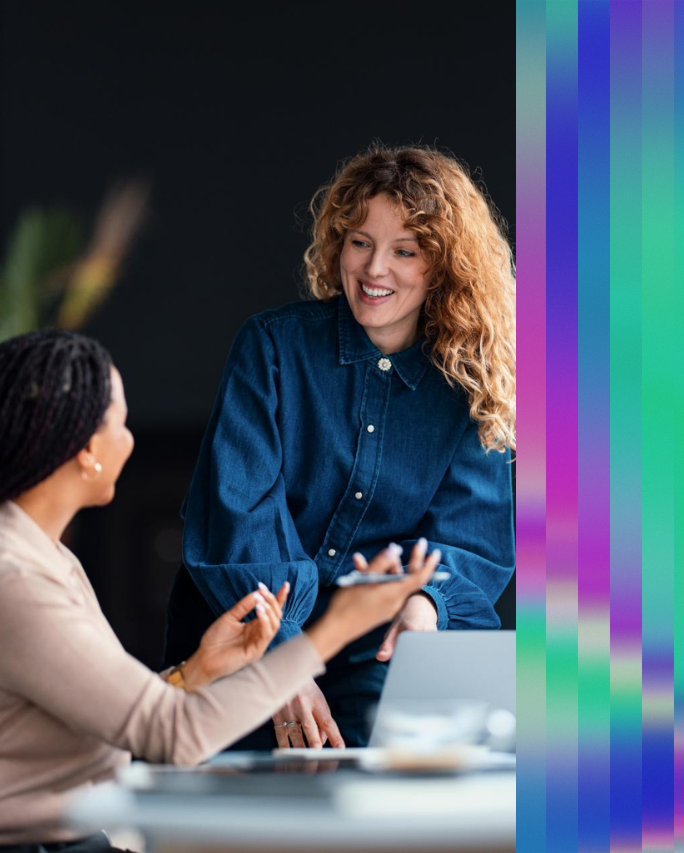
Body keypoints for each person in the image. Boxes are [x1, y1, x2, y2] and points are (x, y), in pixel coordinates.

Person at [0, 329, 440, 849]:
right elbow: (176, 735)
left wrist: (197, 672)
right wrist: (337, 628)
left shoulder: (32, 554)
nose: (130, 439)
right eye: (120, 423)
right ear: (85, 451)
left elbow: (115, 720)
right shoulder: (12, 581)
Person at [163, 144, 516, 750]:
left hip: (374, 641)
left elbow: (469, 541)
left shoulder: (470, 383)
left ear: (444, 267)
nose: (375, 269)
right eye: (360, 242)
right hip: (245, 629)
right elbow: (237, 515)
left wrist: (425, 606)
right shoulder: (272, 348)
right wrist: (283, 660)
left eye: (404, 251)